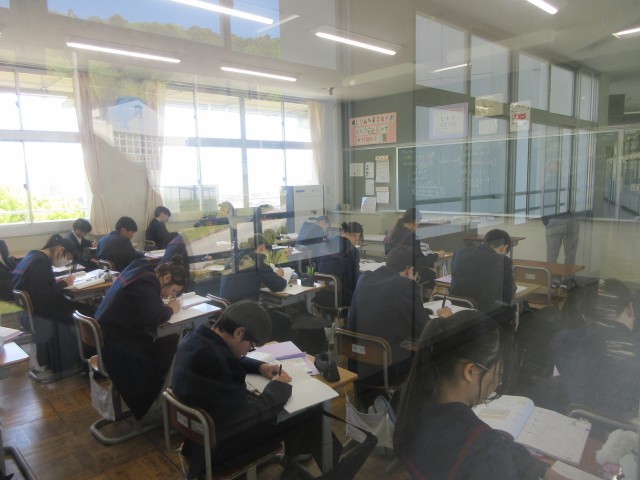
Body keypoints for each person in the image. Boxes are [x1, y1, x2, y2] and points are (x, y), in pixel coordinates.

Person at [171, 301, 331, 479]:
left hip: (199, 439)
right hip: (222, 451)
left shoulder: (195, 339)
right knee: (308, 410)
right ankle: (311, 463)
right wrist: (278, 387)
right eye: (251, 345)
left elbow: (229, 357)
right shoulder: (218, 362)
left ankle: (297, 454)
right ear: (239, 333)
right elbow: (253, 415)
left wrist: (260, 366)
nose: (247, 352)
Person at [393, 310, 561, 480]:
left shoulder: (417, 404)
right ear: (470, 372)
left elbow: (490, 446)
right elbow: (487, 450)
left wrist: (537, 468)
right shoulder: (483, 447)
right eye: (498, 372)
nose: (498, 382)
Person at [95, 256, 187, 420]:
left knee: (169, 341)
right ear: (166, 278)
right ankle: (154, 406)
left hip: (110, 333)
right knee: (170, 346)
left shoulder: (140, 268)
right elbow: (155, 317)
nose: (170, 295)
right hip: (116, 344)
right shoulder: (146, 282)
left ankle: (161, 400)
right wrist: (170, 308)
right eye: (173, 291)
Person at [552, 278, 639, 421]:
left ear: (584, 316)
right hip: (623, 429)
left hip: (576, 420)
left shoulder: (562, 340)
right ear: (630, 309)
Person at [347, 246, 434, 387]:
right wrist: (443, 319)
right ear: (410, 270)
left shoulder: (364, 278)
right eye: (416, 278)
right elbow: (425, 328)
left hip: (358, 364)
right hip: (385, 367)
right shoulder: (405, 284)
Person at [12, 234, 80, 373]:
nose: (66, 261)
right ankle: (76, 359)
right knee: (82, 313)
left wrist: (56, 283)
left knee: (75, 308)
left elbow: (37, 287)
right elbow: (44, 296)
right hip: (40, 313)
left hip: (28, 312)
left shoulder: (32, 256)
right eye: (67, 257)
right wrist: (63, 283)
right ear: (61, 250)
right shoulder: (41, 263)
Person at [450, 229, 516, 326]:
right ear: (504, 247)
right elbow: (509, 294)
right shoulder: (503, 261)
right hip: (486, 315)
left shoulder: (459, 253)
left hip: (458, 309)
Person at [219, 233, 286, 303]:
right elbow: (279, 286)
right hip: (245, 307)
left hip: (229, 306)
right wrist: (277, 275)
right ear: (262, 247)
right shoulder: (258, 261)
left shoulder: (233, 258)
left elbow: (243, 281)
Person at [384, 208, 441, 288]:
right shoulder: (411, 236)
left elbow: (387, 252)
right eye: (418, 223)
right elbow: (421, 261)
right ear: (415, 222)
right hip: (406, 272)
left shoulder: (390, 233)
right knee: (431, 275)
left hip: (390, 271)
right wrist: (436, 255)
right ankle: (422, 296)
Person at [315, 221, 363, 308]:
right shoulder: (352, 251)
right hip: (342, 298)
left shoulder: (326, 242)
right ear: (357, 236)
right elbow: (354, 279)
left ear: (343, 231)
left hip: (321, 294)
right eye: (358, 242)